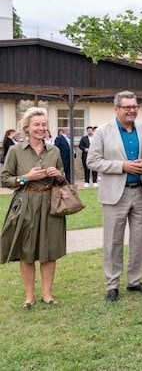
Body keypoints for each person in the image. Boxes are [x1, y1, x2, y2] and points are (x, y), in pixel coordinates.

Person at [87, 91, 142, 302]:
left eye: (134, 107)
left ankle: (135, 281)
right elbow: (93, 161)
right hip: (115, 193)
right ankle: (112, 285)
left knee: (140, 240)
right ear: (116, 109)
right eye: (127, 107)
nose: (132, 110)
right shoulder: (103, 132)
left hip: (141, 192)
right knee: (113, 241)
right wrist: (122, 166)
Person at [0, 107, 66, 308]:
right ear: (27, 127)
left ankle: (47, 294)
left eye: (44, 125)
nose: (41, 128)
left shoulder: (54, 151)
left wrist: (57, 175)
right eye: (36, 124)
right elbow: (5, 179)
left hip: (50, 205)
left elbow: (63, 180)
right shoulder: (15, 151)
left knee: (50, 250)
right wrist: (26, 177)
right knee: (27, 251)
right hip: (27, 203)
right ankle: (30, 296)